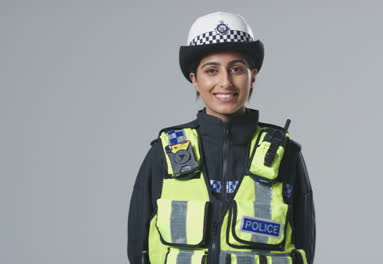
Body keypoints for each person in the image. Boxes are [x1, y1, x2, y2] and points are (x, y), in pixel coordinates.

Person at [127, 11, 316, 264]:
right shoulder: (164, 153)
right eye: (211, 70)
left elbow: (304, 247)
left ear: (253, 75)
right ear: (195, 79)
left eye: (237, 68)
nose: (225, 82)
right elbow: (137, 248)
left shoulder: (285, 154)